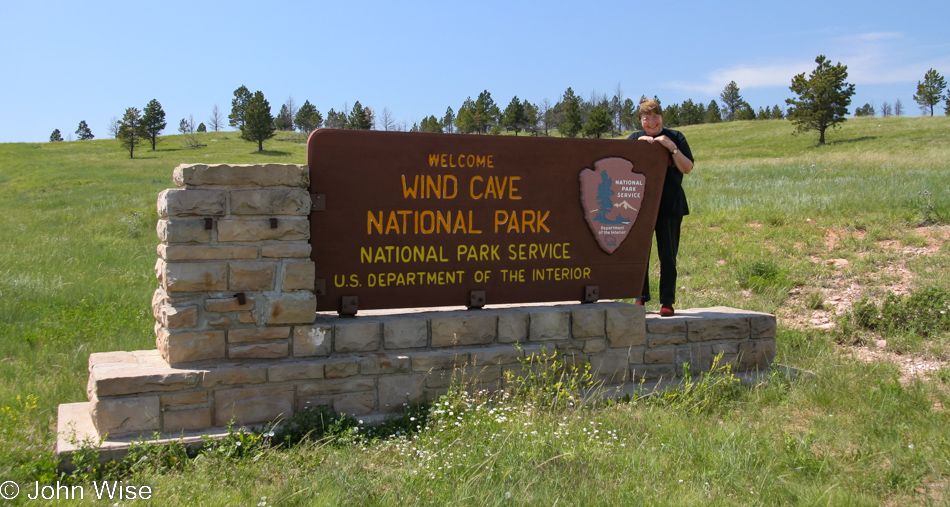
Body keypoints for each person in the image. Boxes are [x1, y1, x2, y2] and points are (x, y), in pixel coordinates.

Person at [629, 98, 694, 316]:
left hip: (670, 205)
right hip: (639, 207)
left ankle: (667, 301)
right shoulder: (634, 139)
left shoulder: (676, 137)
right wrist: (639, 147)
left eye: (655, 117)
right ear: (640, 120)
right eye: (646, 118)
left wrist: (672, 148)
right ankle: (640, 298)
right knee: (640, 255)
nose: (651, 122)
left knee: (668, 256)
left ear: (661, 118)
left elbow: (687, 168)